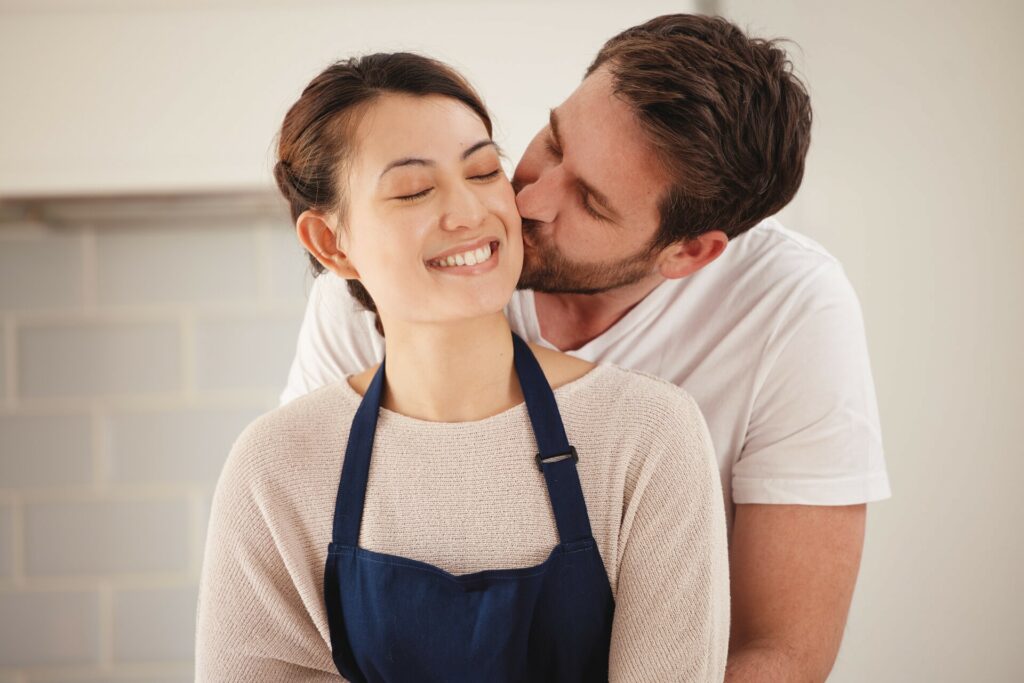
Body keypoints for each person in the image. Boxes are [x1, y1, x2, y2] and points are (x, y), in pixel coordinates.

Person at [279, 13, 893, 683]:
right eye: (553, 140)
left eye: (591, 202)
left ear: (689, 252)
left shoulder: (789, 309)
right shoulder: (385, 284)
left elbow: (778, 651)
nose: (530, 198)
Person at [195, 52, 730, 681]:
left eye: (482, 171)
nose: (471, 212)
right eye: (414, 190)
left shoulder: (648, 433)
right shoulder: (280, 463)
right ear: (331, 243)